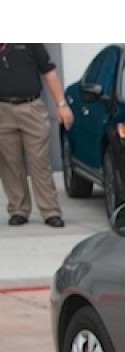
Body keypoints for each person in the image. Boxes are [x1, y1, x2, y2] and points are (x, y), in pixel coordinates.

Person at [0, 43, 73, 227]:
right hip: (2, 110)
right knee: (10, 163)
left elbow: (49, 72)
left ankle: (50, 211)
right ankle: (18, 209)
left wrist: (61, 105)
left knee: (39, 161)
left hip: (31, 108)